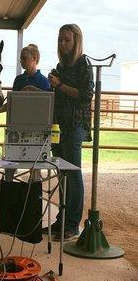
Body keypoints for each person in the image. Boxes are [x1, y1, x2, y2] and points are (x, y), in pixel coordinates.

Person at [0, 44, 50, 216]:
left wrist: (35, 93)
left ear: (34, 59)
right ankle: (0, 203)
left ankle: (33, 206)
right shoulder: (19, 81)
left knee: (35, 171)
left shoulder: (44, 82)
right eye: (21, 58)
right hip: (17, 130)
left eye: (24, 58)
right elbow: (12, 103)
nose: (21, 61)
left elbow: (48, 106)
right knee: (9, 168)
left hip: (36, 132)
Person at [47, 24, 94, 241]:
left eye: (66, 40)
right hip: (59, 126)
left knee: (73, 174)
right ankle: (61, 220)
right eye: (60, 40)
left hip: (75, 125)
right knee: (62, 174)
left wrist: (59, 85)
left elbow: (86, 94)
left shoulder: (83, 63)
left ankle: (73, 225)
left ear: (76, 41)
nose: (62, 43)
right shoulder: (61, 65)